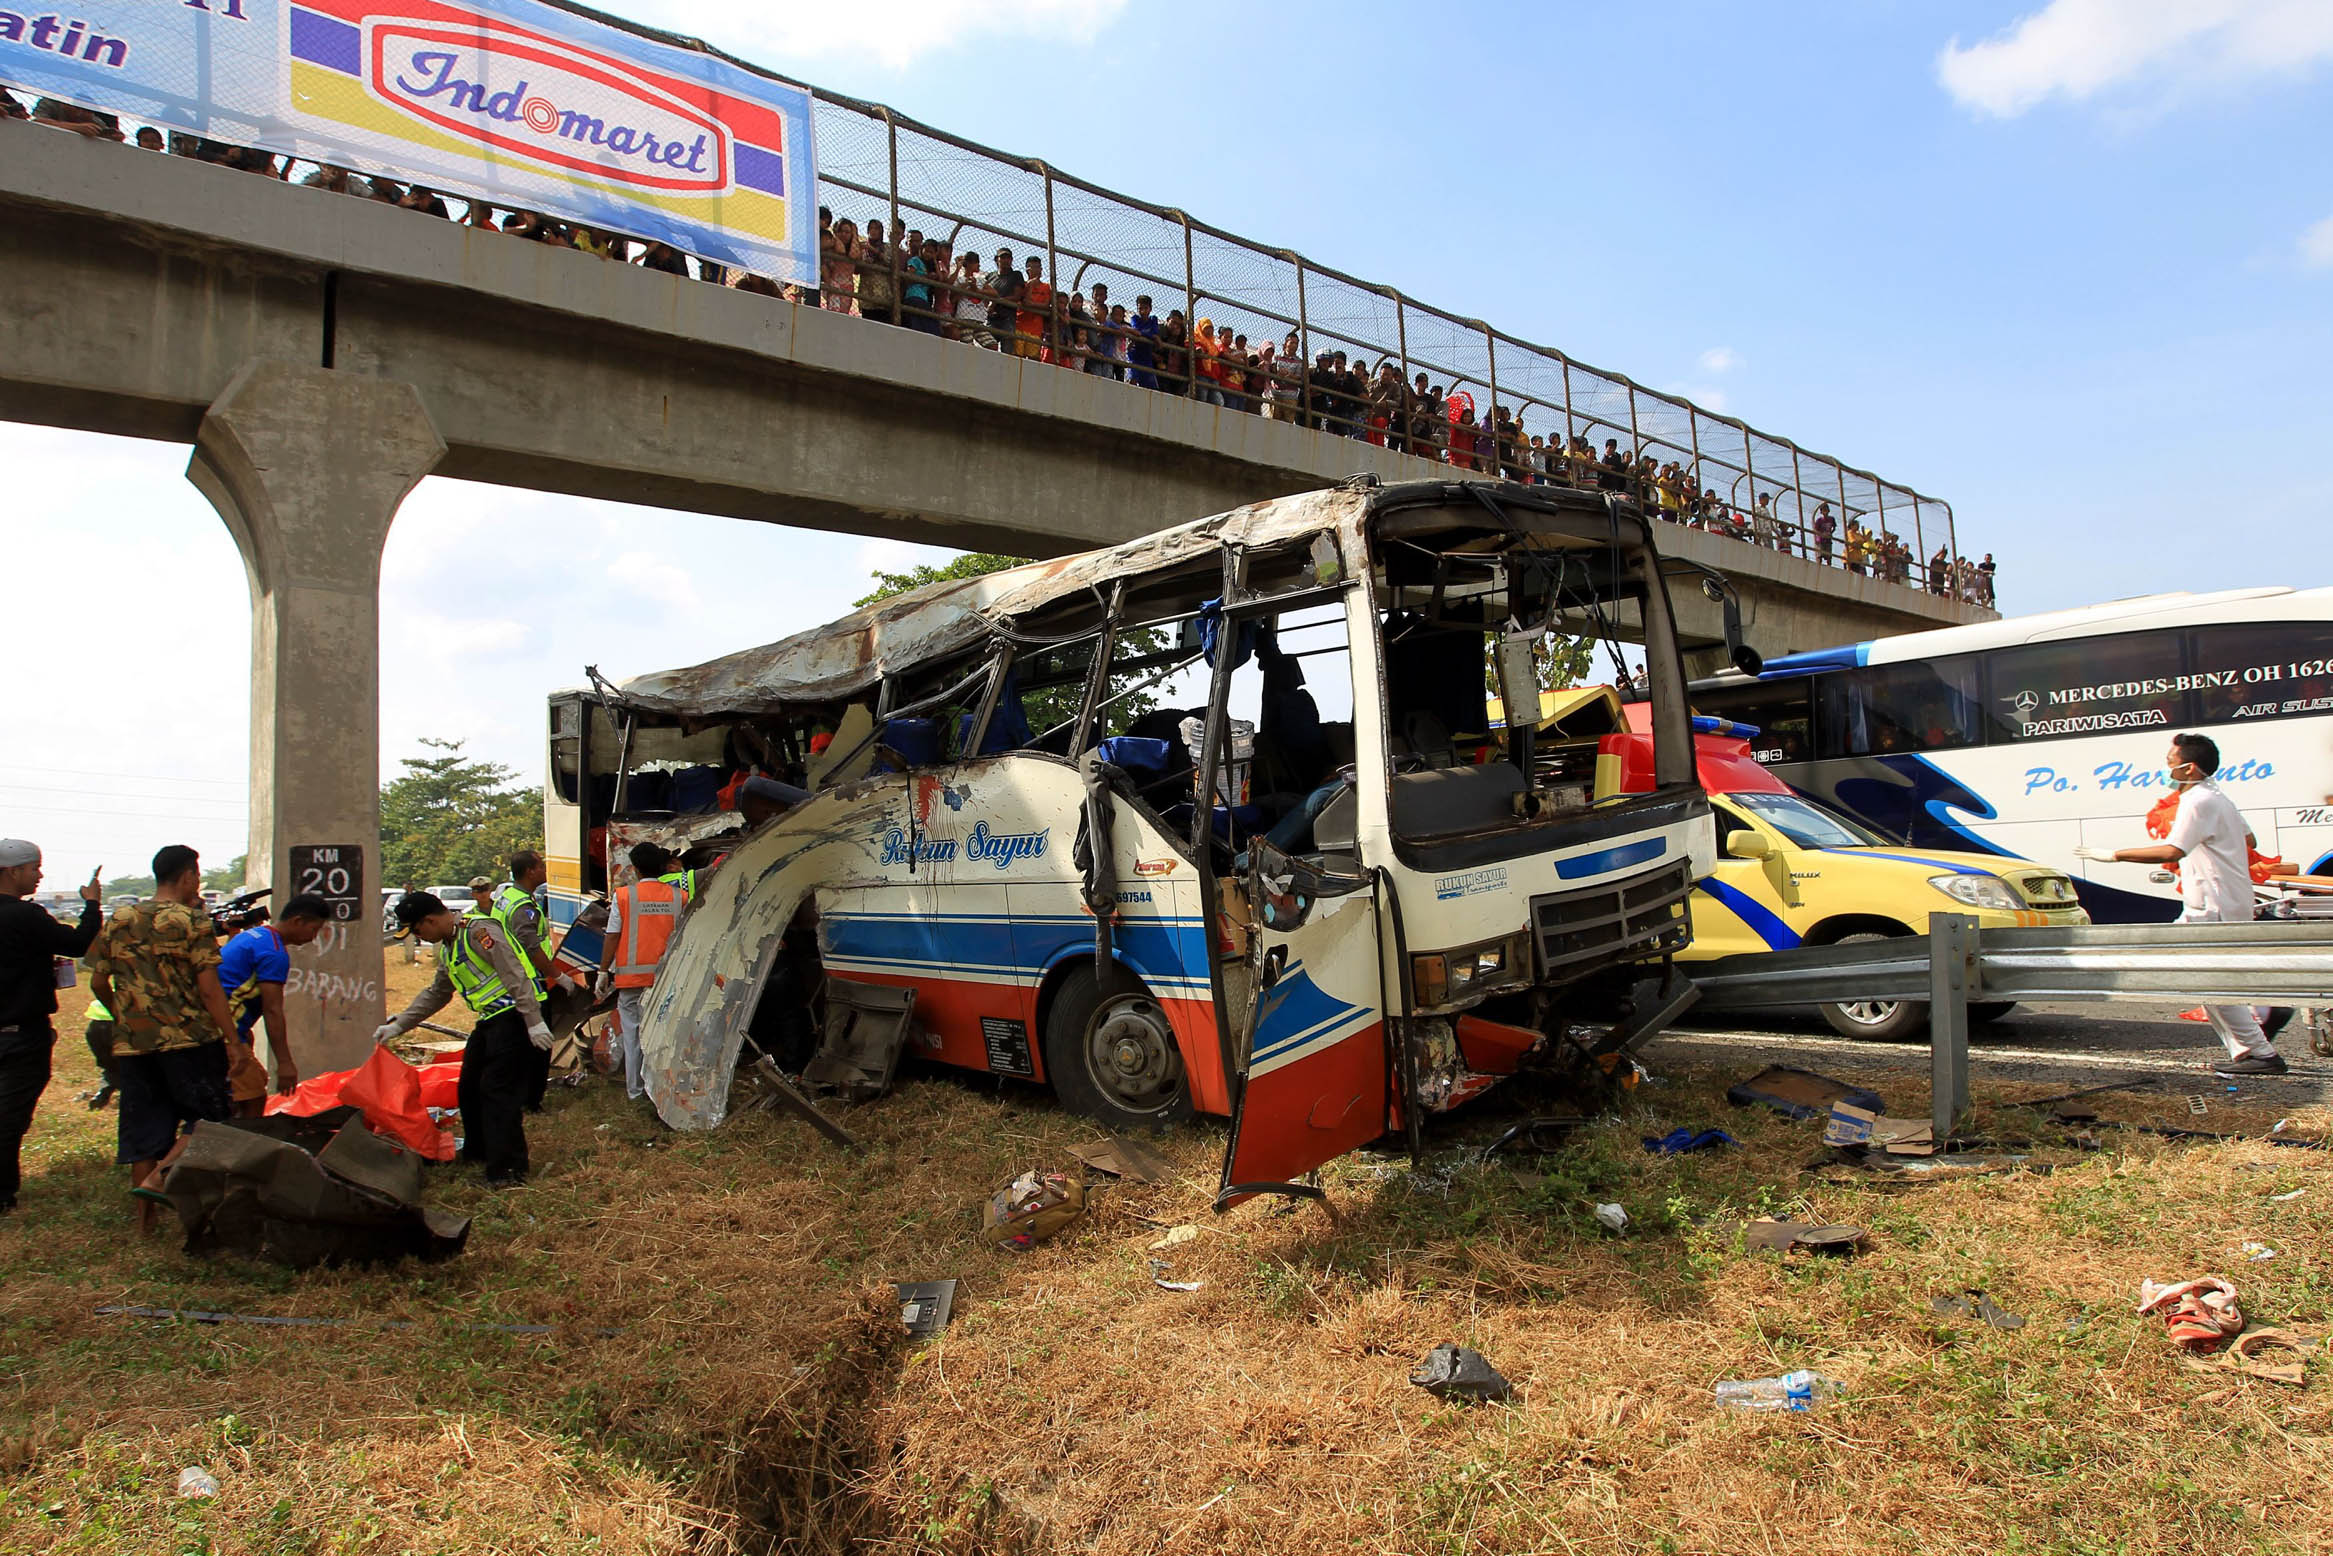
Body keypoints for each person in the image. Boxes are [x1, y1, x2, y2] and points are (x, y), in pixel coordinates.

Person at [2075, 734, 2284, 1074]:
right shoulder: (2218, 798)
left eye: (2171, 762)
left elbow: (2173, 850)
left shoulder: (2198, 800)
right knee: (2197, 975)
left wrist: (2113, 855)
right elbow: (2250, 839)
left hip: (2212, 903)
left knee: (2208, 979)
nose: (2167, 767)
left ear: (2190, 767)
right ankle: (2249, 1049)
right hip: (2218, 899)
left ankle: (2260, 1049)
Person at [88, 845, 237, 1229]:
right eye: (197, 876)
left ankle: (145, 1223)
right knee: (210, 1120)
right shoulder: (192, 921)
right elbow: (209, 989)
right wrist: (233, 1039)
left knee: (145, 1129)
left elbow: (99, 980)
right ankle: (162, 1177)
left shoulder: (119, 918)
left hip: (134, 1043)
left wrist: (125, 1015)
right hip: (190, 1039)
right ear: (188, 876)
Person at [376, 891, 551, 1185]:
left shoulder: (478, 931)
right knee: (469, 1087)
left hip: (515, 1016)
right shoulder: (449, 947)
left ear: (430, 920)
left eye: (419, 931)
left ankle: (508, 1171)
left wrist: (533, 1021)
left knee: (497, 1091)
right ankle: (479, 1152)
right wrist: (398, 1025)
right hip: (490, 1021)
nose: (421, 937)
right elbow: (438, 993)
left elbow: (514, 974)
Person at [0, 840, 102, 1213]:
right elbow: (76, 944)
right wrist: (92, 904)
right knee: (9, 1117)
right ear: (12, 872)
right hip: (21, 1035)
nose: (39, 875)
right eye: (34, 868)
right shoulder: (25, 916)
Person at [215, 892, 328, 1117]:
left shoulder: (253, 936)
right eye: (314, 929)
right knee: (252, 1100)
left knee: (240, 1093)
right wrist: (285, 1063)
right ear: (298, 921)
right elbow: (273, 1010)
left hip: (218, 1028)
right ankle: (239, 1149)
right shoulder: (274, 953)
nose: (313, 937)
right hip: (225, 1034)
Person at [596, 844, 690, 1105]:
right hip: (666, 980)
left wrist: (603, 971)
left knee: (633, 1035)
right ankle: (662, 1089)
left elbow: (612, 935)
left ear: (635, 869)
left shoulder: (624, 896)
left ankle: (635, 1091)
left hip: (632, 981)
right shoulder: (679, 897)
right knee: (664, 1035)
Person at [477, 851, 564, 1108]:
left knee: (520, 1043)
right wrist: (557, 974)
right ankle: (532, 1100)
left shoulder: (506, 897)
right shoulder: (523, 906)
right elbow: (531, 946)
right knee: (540, 1044)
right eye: (541, 866)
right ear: (530, 871)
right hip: (530, 980)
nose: (545, 870)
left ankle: (520, 1092)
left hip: (514, 978)